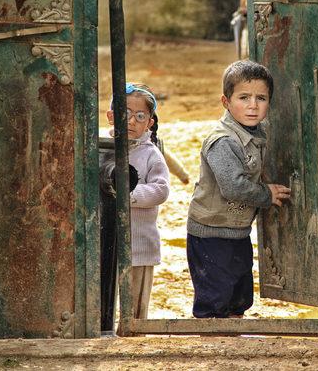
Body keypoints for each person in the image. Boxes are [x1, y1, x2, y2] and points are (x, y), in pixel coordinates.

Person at [186, 60, 291, 318]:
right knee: (214, 299)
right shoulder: (222, 141)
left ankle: (234, 346)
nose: (253, 105)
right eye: (244, 97)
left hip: (236, 232)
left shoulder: (256, 133)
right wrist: (267, 194)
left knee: (239, 295)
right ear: (226, 101)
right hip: (211, 234)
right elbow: (233, 186)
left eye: (261, 98)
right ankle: (215, 349)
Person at [105, 82, 170, 320]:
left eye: (140, 116)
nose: (131, 121)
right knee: (105, 300)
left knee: (135, 309)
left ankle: (134, 337)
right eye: (124, 114)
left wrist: (129, 196)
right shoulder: (102, 148)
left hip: (140, 244)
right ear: (111, 116)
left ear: (149, 122)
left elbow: (161, 190)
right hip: (106, 243)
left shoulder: (151, 154)